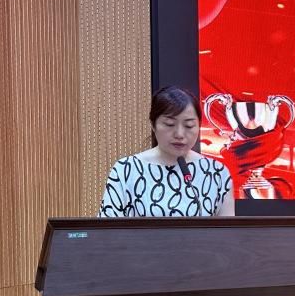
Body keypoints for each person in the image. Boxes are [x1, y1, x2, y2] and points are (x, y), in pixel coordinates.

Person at [99, 86, 235, 217]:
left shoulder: (217, 173)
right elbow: (107, 229)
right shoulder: (126, 170)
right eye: (170, 124)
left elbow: (228, 231)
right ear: (153, 125)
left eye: (189, 126)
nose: (180, 134)